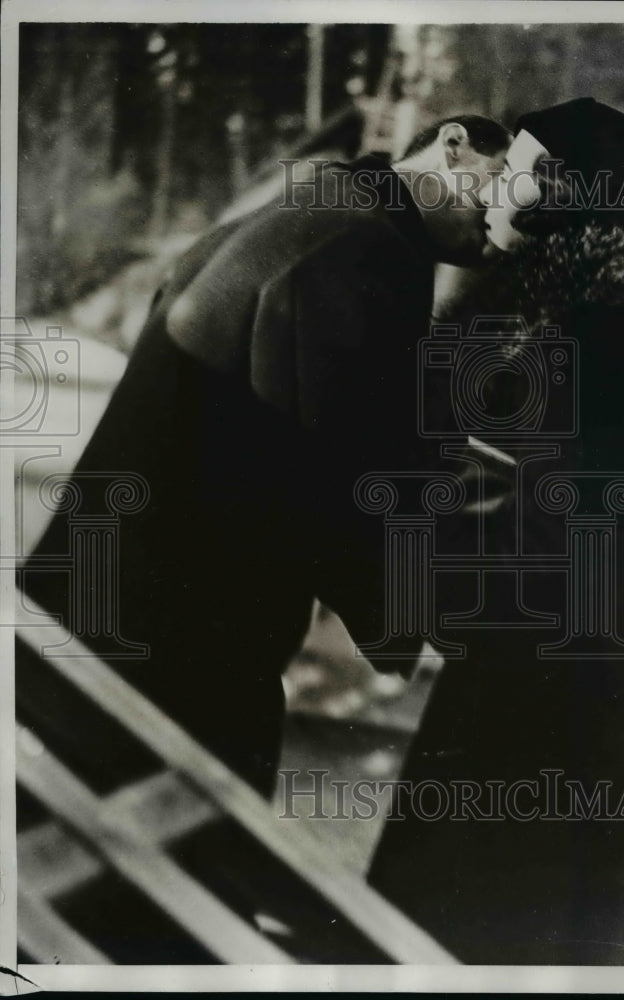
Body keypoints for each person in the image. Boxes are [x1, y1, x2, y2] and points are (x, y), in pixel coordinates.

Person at [19, 116, 511, 797]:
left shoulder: (314, 211)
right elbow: (350, 467)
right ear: (452, 144)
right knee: (189, 850)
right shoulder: (370, 246)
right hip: (180, 636)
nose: (509, 213)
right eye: (503, 180)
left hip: (96, 607)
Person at [367, 98, 624, 965]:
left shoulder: (583, 352)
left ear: (566, 197)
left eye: (520, 171)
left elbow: (540, 557)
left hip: (543, 742)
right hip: (546, 719)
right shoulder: (581, 337)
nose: (499, 186)